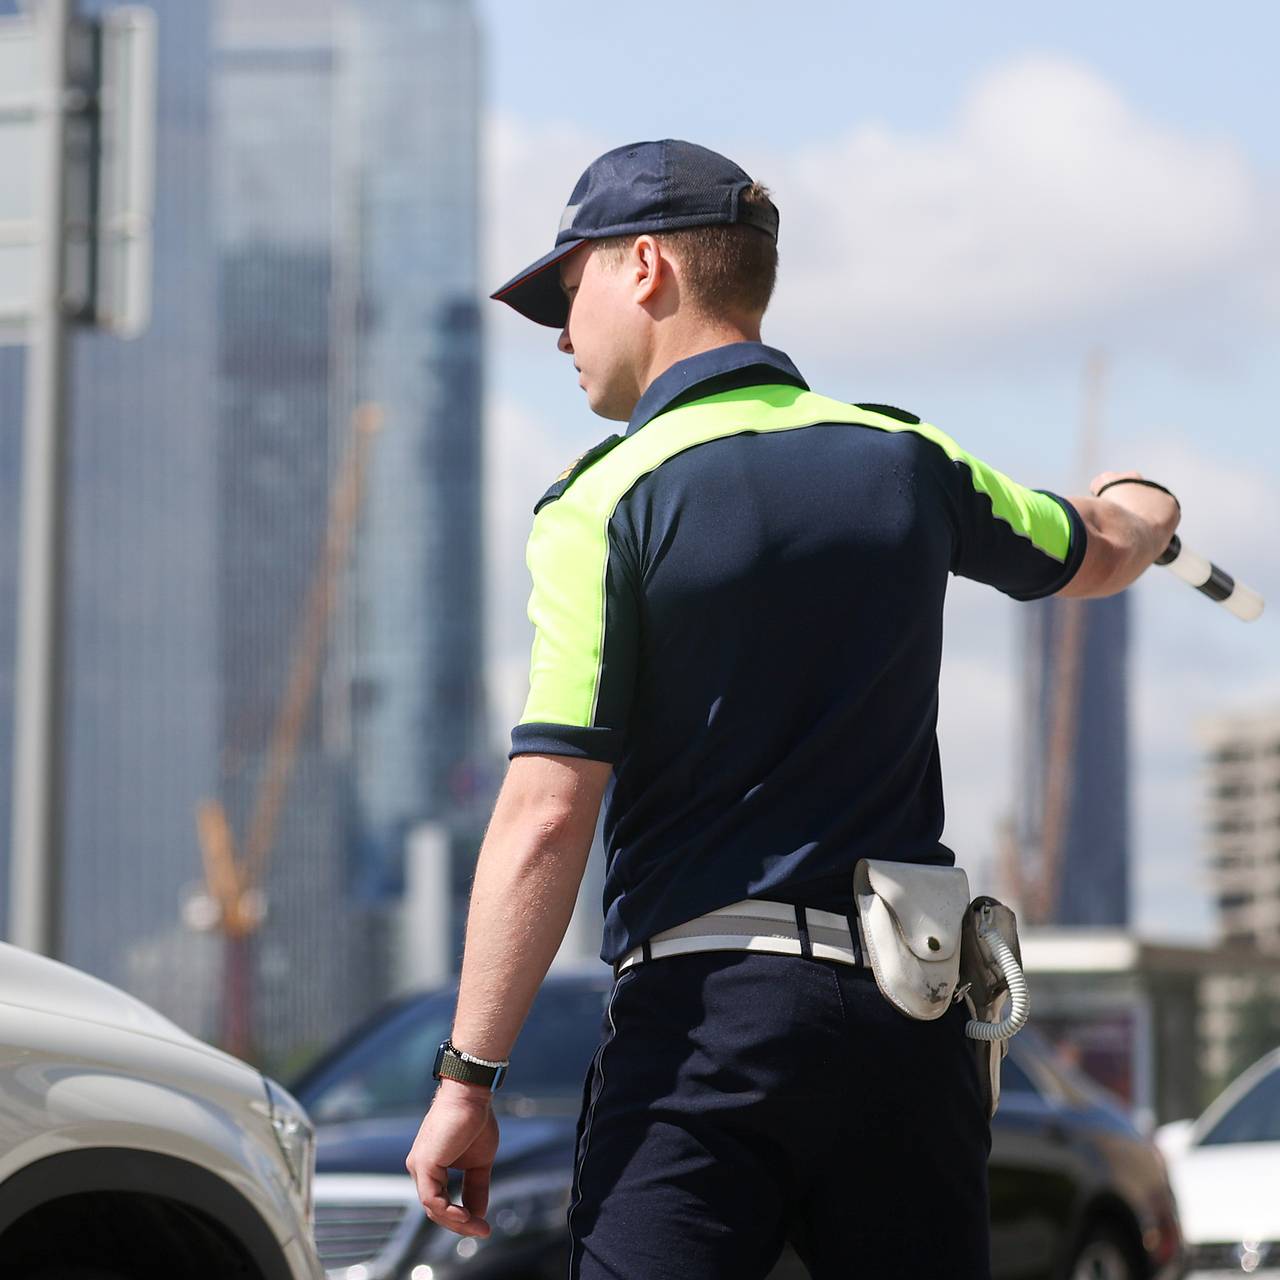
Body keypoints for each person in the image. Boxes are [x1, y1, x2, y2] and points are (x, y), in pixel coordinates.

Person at [405, 139, 1180, 1279]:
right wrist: (1143, 499)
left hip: (706, 1026)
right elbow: (1099, 544)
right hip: (905, 1026)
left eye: (567, 298)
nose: (562, 338)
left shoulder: (600, 500)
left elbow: (545, 809)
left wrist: (467, 1078)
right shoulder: (906, 458)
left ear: (645, 268)